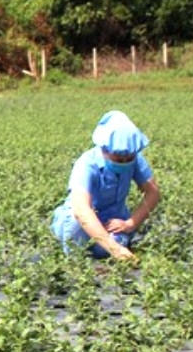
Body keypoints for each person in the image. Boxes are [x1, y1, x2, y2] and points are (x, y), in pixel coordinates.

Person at [51, 110, 161, 260]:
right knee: (77, 236)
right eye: (118, 158)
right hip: (79, 222)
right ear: (104, 149)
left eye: (129, 158)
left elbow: (153, 192)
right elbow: (81, 210)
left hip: (112, 220)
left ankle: (100, 252)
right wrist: (115, 250)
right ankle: (76, 259)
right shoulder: (87, 164)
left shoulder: (135, 159)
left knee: (114, 243)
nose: (125, 162)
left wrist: (130, 223)